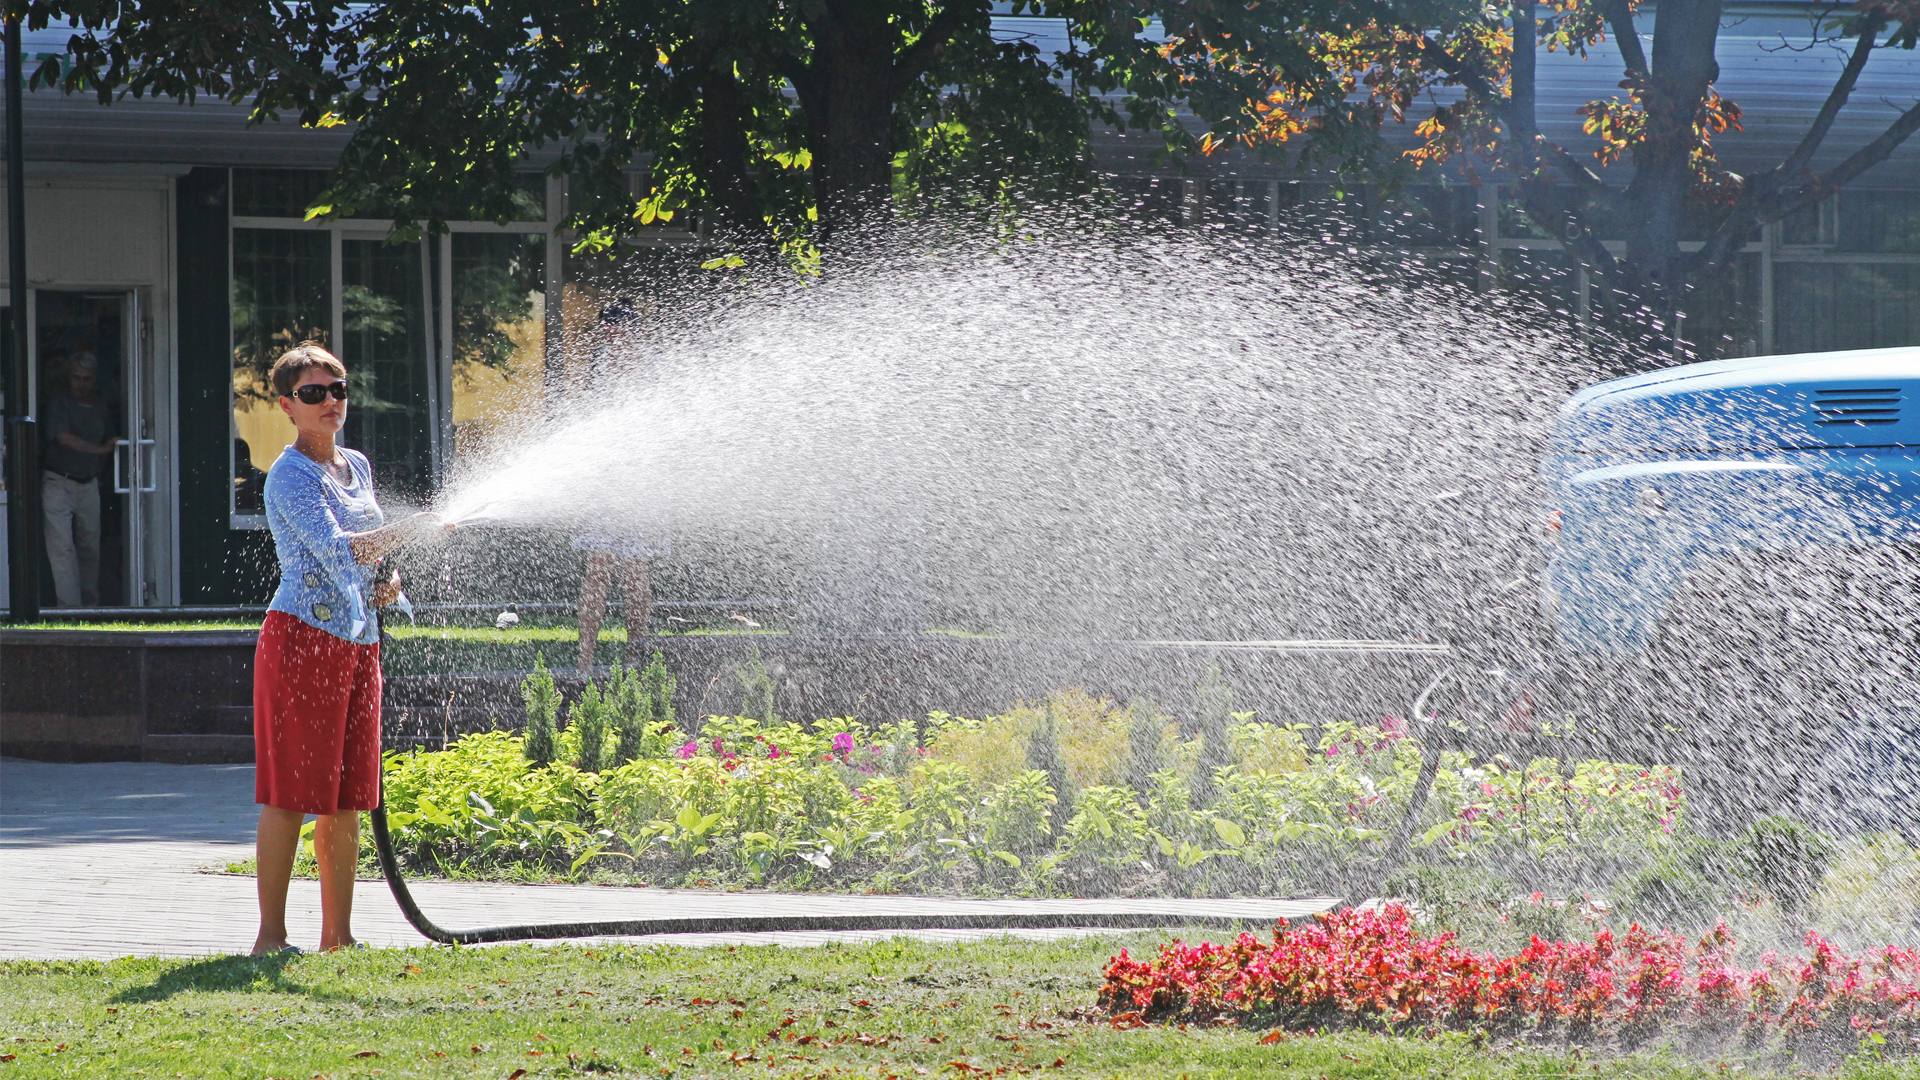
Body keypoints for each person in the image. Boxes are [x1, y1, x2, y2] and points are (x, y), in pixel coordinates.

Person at [252, 343, 449, 955]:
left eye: (337, 389)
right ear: (287, 406)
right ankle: (270, 938)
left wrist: (388, 584)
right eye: (313, 393)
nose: (330, 401)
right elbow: (337, 550)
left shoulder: (355, 465)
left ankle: (338, 937)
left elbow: (367, 556)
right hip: (301, 641)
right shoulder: (289, 474)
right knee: (290, 793)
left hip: (358, 642)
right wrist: (409, 530)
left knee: (346, 795)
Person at [41, 352, 114, 607]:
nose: (81, 383)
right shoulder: (59, 403)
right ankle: (70, 613)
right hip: (58, 481)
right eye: (76, 378)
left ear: (95, 380)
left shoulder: (101, 405)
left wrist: (100, 469)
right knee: (62, 549)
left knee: (90, 547)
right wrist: (100, 451)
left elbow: (109, 439)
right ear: (68, 379)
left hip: (89, 482)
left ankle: (90, 608)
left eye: (87, 378)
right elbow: (63, 437)